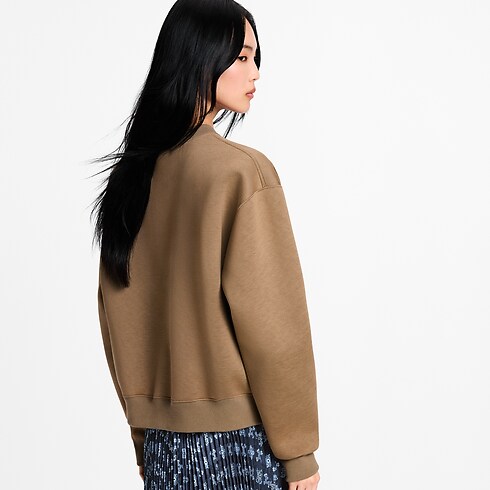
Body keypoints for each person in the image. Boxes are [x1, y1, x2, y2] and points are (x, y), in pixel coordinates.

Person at [90, 0, 320, 488]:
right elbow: (275, 327)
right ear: (200, 57)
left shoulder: (132, 178)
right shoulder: (240, 173)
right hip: (240, 442)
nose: (255, 72)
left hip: (162, 446)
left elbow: (117, 316)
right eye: (242, 57)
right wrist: (299, 451)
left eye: (255, 58)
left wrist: (143, 432)